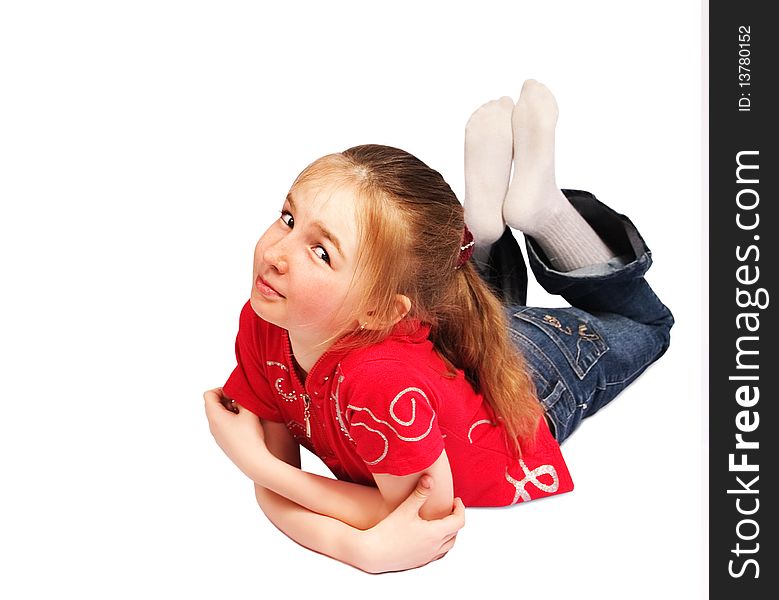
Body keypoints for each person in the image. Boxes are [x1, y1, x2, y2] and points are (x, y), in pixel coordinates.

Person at [204, 80, 674, 573]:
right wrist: (352, 543)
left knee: (645, 323)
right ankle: (480, 236)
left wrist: (255, 464)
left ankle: (544, 212)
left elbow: (424, 518)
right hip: (451, 347)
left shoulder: (378, 383)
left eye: (321, 252)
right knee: (479, 308)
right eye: (287, 218)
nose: (276, 255)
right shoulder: (268, 318)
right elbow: (296, 487)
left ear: (382, 311)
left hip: (526, 382)